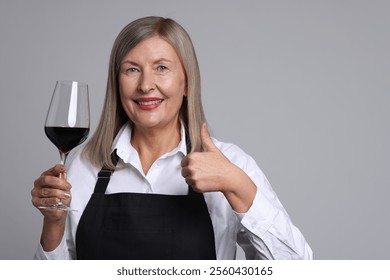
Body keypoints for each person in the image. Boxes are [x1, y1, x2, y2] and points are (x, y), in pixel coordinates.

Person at [31, 16, 313, 260]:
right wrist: (53, 223)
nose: (145, 85)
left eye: (162, 68)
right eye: (132, 69)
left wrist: (237, 184)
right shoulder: (84, 166)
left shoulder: (231, 164)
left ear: (187, 81)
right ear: (117, 83)